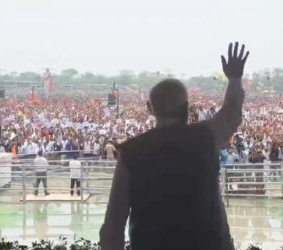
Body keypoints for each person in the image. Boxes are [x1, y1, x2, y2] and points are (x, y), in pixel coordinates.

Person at [99, 42, 249, 250]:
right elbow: (232, 113)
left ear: (150, 108)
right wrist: (234, 79)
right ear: (187, 107)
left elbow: (113, 226)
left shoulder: (131, 152)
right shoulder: (206, 137)